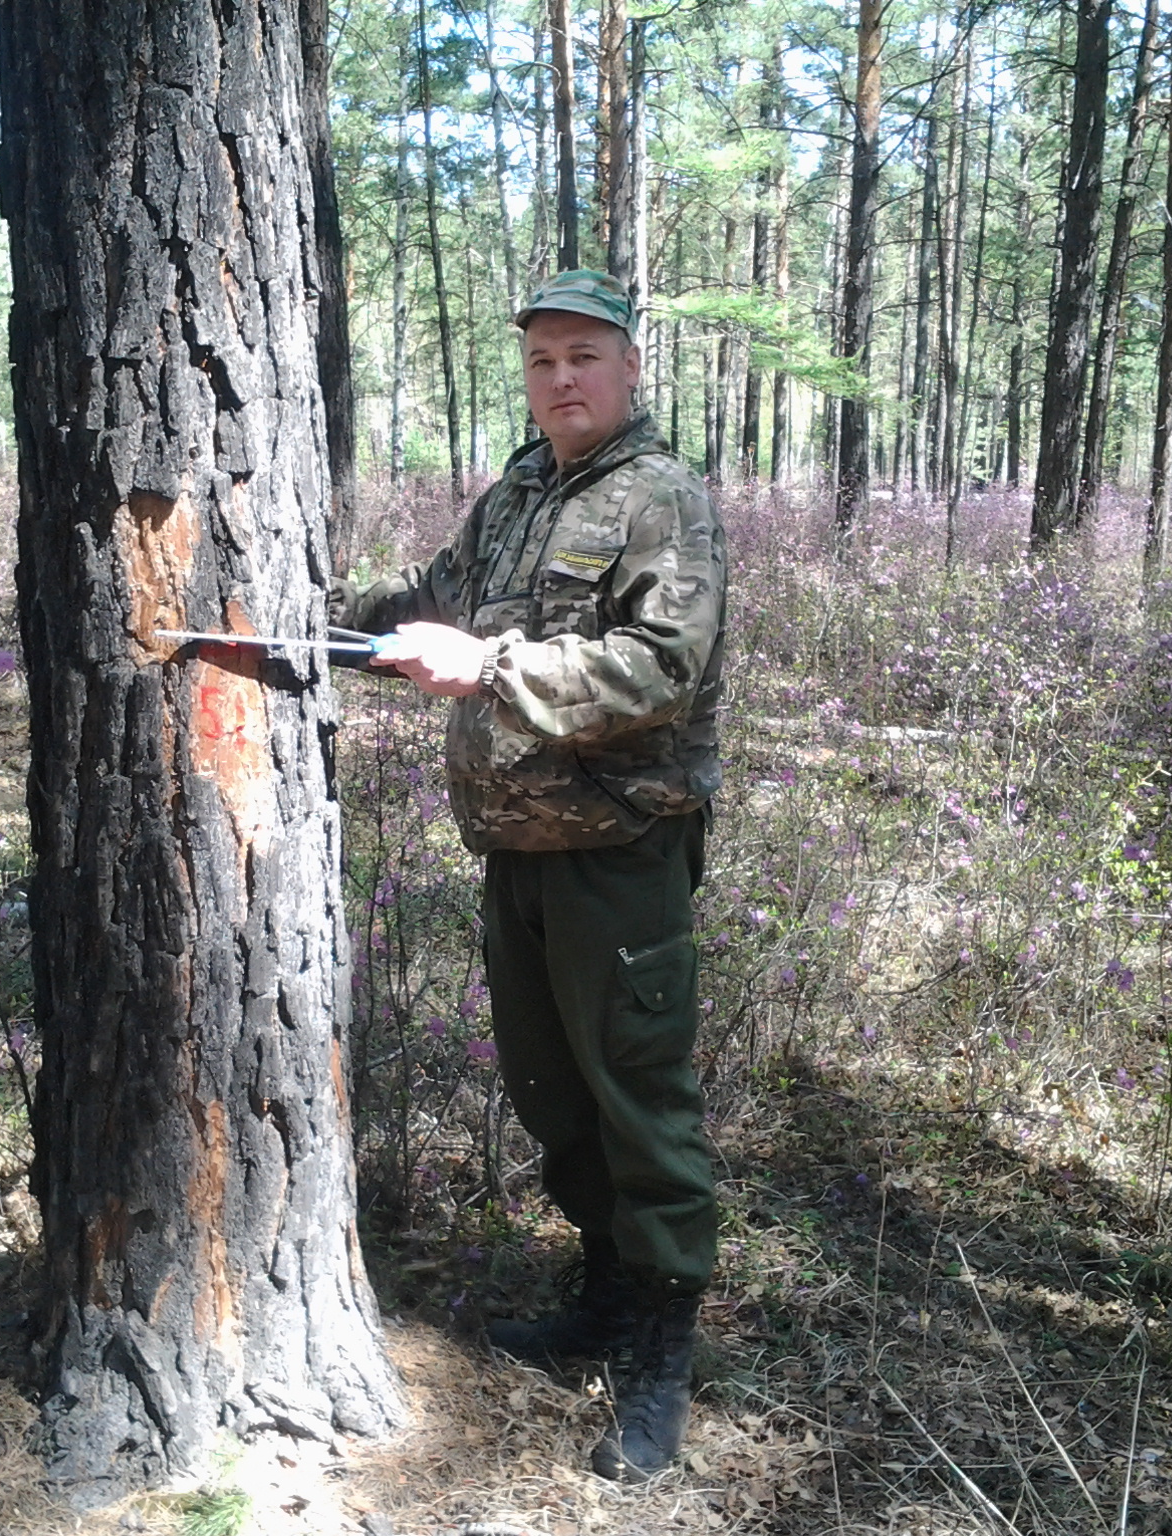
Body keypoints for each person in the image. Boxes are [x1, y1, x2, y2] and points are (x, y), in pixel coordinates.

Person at [329, 270, 726, 1481]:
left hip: (618, 852)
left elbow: (662, 665)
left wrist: (493, 665)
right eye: (542, 358)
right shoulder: (512, 495)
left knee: (637, 1105)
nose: (560, 378)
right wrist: (326, 626)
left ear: (627, 369)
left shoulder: (662, 499)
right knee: (553, 1098)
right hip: (514, 849)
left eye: (582, 357)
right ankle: (602, 1298)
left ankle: (656, 1362)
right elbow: (429, 603)